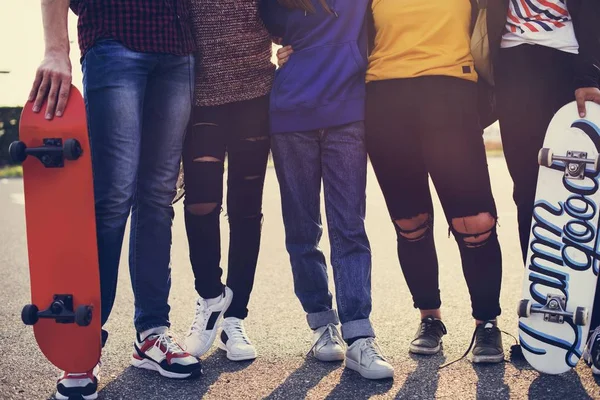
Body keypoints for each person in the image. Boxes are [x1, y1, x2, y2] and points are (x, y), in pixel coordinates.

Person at [29, 0, 202, 398]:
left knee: (158, 197)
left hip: (178, 49)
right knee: (112, 198)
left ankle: (152, 332)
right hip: (115, 40)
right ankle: (82, 345)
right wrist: (56, 48)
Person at [261, 0, 394, 380]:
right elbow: (263, 35)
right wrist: (278, 56)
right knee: (303, 228)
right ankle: (322, 323)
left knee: (349, 226)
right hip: (290, 113)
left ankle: (359, 335)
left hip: (347, 111)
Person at [365, 0, 504, 362]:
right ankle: (429, 318)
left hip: (451, 94)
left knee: (476, 223)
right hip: (385, 98)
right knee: (410, 223)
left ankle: (486, 323)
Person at [486, 0, 600, 372]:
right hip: (515, 65)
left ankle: (596, 327)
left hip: (569, 60)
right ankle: (543, 320)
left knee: (587, 192)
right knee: (532, 196)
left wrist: (591, 73)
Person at [183, 0, 274, 362]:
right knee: (201, 203)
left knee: (246, 211)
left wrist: (296, 45)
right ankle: (210, 297)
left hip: (255, 97)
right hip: (201, 99)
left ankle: (234, 319)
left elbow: (286, 17)